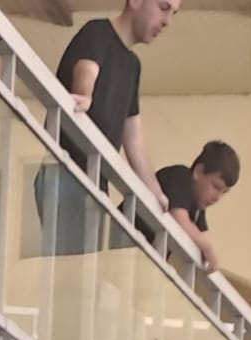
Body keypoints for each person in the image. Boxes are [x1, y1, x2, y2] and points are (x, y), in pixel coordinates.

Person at [38, 0, 180, 257]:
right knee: (68, 267)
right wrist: (85, 95)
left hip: (95, 185)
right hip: (65, 173)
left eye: (173, 13)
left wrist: (156, 193)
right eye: (163, 7)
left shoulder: (133, 65)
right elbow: (87, 69)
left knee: (82, 269)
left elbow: (133, 138)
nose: (167, 21)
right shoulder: (97, 32)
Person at [155, 141, 240, 275]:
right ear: (198, 171)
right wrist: (207, 248)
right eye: (216, 187)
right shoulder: (179, 176)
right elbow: (179, 219)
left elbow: (202, 235)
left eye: (224, 192)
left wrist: (208, 251)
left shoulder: (197, 208)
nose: (218, 197)